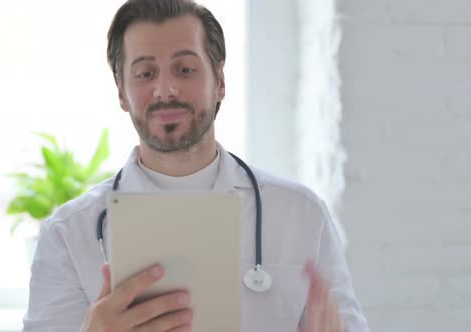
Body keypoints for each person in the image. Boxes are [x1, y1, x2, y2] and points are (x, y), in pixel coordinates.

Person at [23, 0, 369, 331]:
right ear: (122, 93)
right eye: (145, 73)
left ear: (219, 81)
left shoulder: (301, 215)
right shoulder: (68, 234)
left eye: (184, 69)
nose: (165, 89)